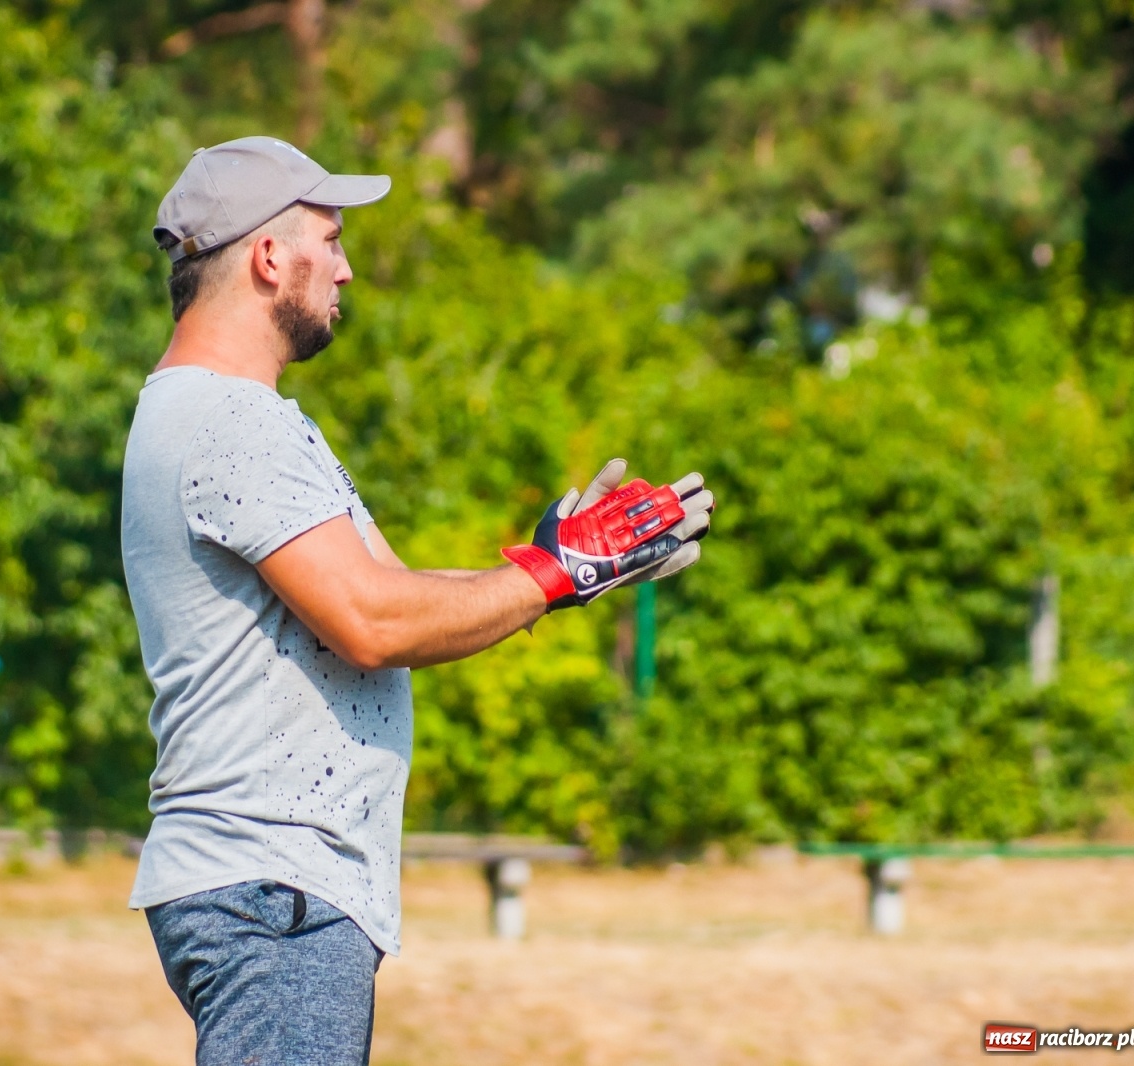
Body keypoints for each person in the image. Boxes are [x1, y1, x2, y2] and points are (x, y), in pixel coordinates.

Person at [120, 136, 712, 1066]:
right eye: (333, 239)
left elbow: (392, 592)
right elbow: (373, 626)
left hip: (271, 890)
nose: (347, 268)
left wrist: (549, 572)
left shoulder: (219, 414)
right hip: (272, 892)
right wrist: (558, 577)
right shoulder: (231, 422)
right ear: (271, 258)